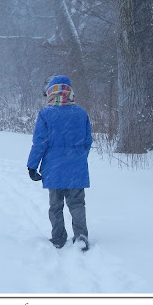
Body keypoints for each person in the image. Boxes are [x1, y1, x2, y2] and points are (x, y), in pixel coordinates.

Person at [26, 75, 92, 251]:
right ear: (70, 92)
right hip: (76, 168)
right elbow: (87, 141)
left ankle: (58, 238)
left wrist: (32, 165)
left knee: (55, 206)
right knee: (77, 204)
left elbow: (40, 142)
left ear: (51, 92)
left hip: (54, 169)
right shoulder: (81, 113)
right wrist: (77, 157)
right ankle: (81, 236)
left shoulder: (46, 114)